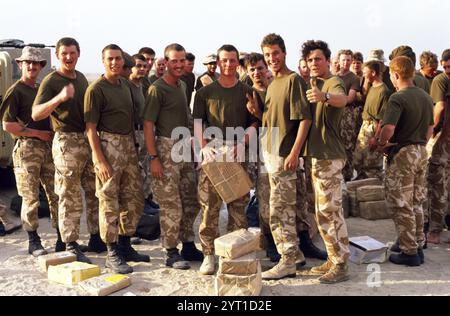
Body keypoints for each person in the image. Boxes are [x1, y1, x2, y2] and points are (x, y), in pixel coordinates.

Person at [32, 37, 103, 263]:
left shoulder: (81, 77)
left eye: (72, 53)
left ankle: (95, 237)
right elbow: (36, 114)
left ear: (79, 54)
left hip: (85, 139)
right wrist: (59, 98)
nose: (69, 57)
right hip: (66, 143)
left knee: (94, 191)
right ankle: (70, 243)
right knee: (69, 195)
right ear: (58, 55)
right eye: (64, 54)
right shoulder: (52, 81)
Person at [253, 34, 315, 281]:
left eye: (275, 53)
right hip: (269, 152)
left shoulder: (293, 81)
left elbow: (305, 119)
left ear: (284, 53)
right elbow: (272, 118)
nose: (272, 59)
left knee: (281, 210)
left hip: (283, 155)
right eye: (267, 55)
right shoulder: (273, 83)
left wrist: (294, 152)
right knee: (274, 208)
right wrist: (257, 112)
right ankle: (294, 254)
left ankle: (287, 261)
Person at [193, 44, 259, 275]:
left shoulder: (246, 90)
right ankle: (209, 254)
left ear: (237, 63)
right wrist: (203, 148)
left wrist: (243, 143)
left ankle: (235, 253)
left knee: (238, 207)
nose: (229, 64)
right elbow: (198, 123)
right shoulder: (204, 92)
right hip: (213, 153)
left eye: (233, 60)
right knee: (209, 206)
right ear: (218, 63)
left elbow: (254, 122)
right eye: (225, 60)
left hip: (237, 152)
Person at [84, 44, 149, 274]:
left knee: (133, 197)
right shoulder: (96, 90)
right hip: (108, 146)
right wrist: (99, 159)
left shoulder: (125, 86)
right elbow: (90, 129)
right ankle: (112, 252)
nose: (114, 63)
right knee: (109, 201)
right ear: (103, 61)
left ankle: (125, 245)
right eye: (110, 59)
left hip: (128, 145)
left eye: (118, 59)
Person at [144, 43, 202, 270]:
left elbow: (186, 116)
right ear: (166, 62)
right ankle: (170, 251)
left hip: (184, 147)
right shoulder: (157, 89)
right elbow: (148, 125)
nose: (178, 65)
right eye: (174, 61)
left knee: (190, 199)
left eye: (182, 60)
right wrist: (154, 158)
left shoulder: (181, 85)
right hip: (166, 149)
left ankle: (187, 244)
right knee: (170, 203)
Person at [302, 39, 350, 284]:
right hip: (318, 156)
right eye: (309, 60)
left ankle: (341, 264)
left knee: (331, 212)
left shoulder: (333, 83)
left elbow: (342, 99)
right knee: (322, 212)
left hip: (330, 157)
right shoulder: (315, 83)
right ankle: (333, 258)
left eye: (317, 59)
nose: (313, 63)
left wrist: (324, 96)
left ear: (327, 60)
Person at [1, 46, 57, 256]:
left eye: (36, 63)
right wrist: (37, 134)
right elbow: (8, 125)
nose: (32, 66)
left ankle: (62, 237)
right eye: (28, 63)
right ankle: (33, 240)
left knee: (55, 194)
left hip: (48, 149)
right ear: (21, 65)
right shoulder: (16, 90)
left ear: (41, 66)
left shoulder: (40, 88)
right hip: (27, 149)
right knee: (30, 197)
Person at [378, 56, 434, 266]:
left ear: (396, 75)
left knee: (400, 202)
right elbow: (430, 129)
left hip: (404, 153)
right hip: (421, 150)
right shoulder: (426, 97)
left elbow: (389, 128)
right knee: (416, 201)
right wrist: (418, 143)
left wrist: (383, 142)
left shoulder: (397, 98)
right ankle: (416, 243)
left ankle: (409, 251)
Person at [353, 61, 391, 180]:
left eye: (365, 73)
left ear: (373, 73)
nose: (364, 75)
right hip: (365, 126)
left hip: (374, 128)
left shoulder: (383, 91)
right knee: (359, 160)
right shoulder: (372, 88)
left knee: (372, 164)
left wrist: (377, 137)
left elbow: (382, 118)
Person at [427, 49, 450, 244]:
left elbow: (440, 107)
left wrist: (433, 133)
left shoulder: (440, 80)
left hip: (442, 140)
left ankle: (435, 229)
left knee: (436, 183)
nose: (447, 70)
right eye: (446, 66)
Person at [337, 49, 361, 181]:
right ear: (339, 61)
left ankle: (347, 175)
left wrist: (334, 99)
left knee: (348, 146)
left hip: (347, 115)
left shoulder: (353, 78)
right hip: (334, 114)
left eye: (348, 60)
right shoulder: (334, 77)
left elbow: (350, 98)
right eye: (343, 60)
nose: (346, 62)